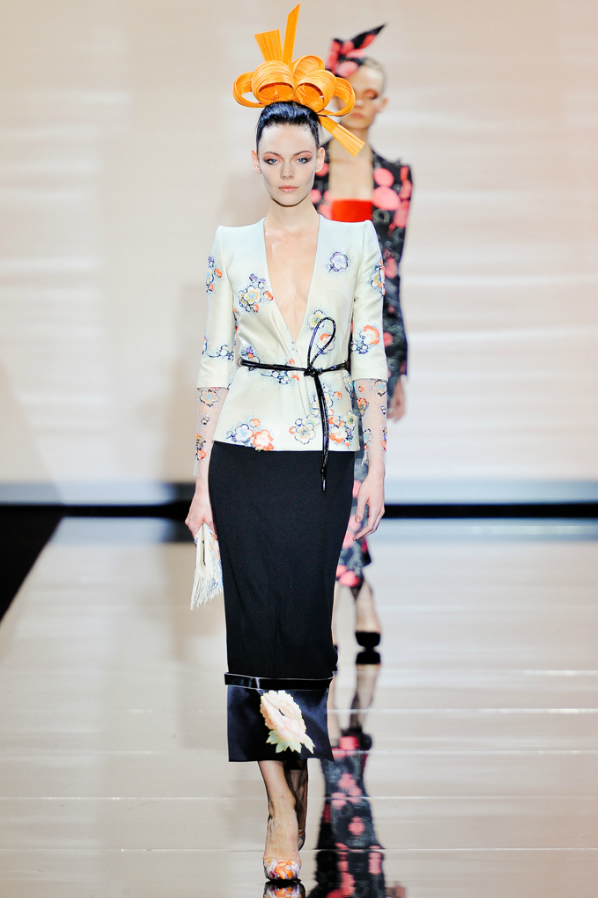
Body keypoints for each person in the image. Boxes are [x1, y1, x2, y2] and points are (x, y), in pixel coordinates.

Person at [185, 6, 388, 883]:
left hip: (324, 454)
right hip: (242, 451)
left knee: (303, 629)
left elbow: (369, 356)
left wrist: (378, 467)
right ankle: (277, 805)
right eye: (273, 159)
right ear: (256, 159)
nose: (288, 173)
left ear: (319, 158)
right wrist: (201, 480)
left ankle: (297, 773)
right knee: (252, 631)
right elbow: (213, 362)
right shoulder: (231, 246)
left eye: (302, 158)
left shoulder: (354, 241)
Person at [311, 26, 414, 652]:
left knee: (358, 468)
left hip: (373, 342)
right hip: (313, 344)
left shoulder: (396, 178)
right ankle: (356, 586)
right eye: (352, 91)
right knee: (326, 472)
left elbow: (394, 270)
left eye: (372, 94)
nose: (361, 103)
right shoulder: (307, 167)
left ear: (383, 103)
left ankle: (341, 589)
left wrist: (403, 363)